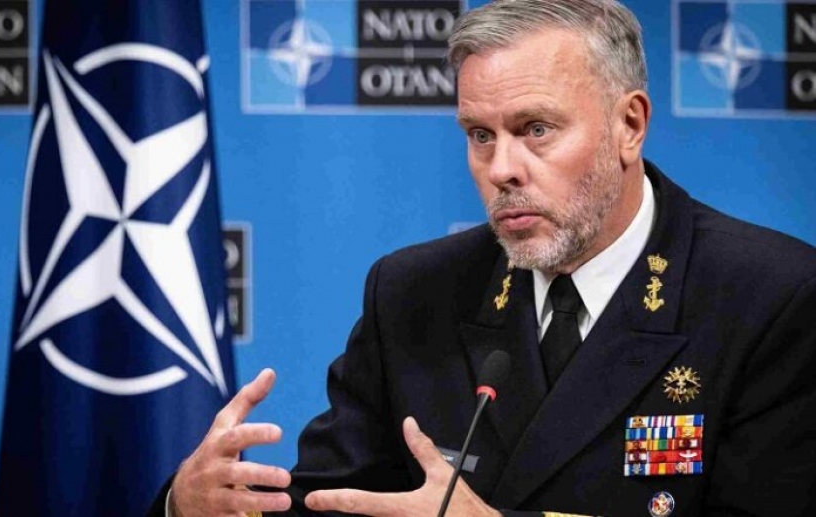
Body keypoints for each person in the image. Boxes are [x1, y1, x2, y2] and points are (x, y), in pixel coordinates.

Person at [149, 1, 816, 515]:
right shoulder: (414, 291)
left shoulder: (772, 296)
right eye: (479, 135)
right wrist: (194, 503)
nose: (502, 169)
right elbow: (334, 501)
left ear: (629, 125)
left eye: (536, 129)